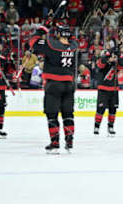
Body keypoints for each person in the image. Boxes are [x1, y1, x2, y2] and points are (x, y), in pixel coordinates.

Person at [29, 23, 78, 154]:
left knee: (52, 114)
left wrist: (42, 29)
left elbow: (33, 42)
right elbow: (72, 40)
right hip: (69, 84)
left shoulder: (51, 45)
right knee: (68, 114)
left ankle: (55, 142)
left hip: (54, 84)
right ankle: (69, 140)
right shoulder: (73, 47)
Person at [94, 49, 123, 136]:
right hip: (103, 89)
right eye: (110, 56)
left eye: (112, 56)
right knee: (101, 109)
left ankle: (110, 127)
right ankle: (96, 126)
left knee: (113, 110)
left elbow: (122, 64)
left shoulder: (115, 64)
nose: (112, 58)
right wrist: (108, 56)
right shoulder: (100, 62)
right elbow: (101, 63)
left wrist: (120, 55)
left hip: (114, 89)